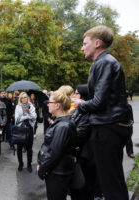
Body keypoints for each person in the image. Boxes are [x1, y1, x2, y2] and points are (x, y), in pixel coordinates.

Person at [74, 25, 132, 200]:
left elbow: (99, 102)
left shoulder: (105, 62)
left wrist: (79, 104)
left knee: (110, 183)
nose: (82, 47)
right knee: (111, 179)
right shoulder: (103, 63)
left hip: (108, 128)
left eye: (85, 43)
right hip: (109, 126)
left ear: (97, 43)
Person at [37, 90, 76, 200]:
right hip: (56, 171)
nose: (48, 105)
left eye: (50, 102)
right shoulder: (60, 122)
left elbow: (54, 153)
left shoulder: (62, 126)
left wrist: (42, 169)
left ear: (58, 105)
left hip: (57, 173)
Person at [15, 92, 37, 173]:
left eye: (25, 97)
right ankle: (20, 164)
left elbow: (34, 117)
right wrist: (27, 116)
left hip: (29, 128)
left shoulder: (31, 106)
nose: (24, 99)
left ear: (27, 98)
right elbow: (17, 119)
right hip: (20, 128)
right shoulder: (18, 107)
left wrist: (29, 112)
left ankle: (29, 164)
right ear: (20, 99)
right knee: (19, 148)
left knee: (29, 148)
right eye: (22, 98)